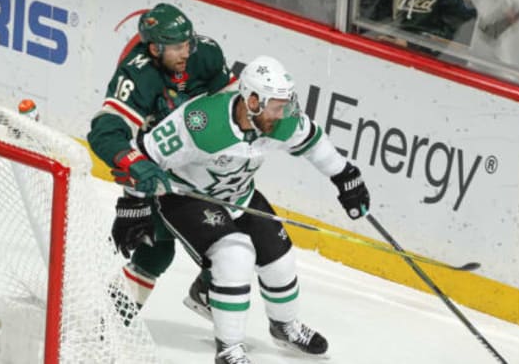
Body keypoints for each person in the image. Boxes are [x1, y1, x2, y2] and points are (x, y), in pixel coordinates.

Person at [112, 56, 371, 362]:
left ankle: (284, 325)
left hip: (240, 195)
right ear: (251, 100)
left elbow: (313, 142)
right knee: (236, 254)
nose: (283, 113)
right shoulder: (201, 122)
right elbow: (144, 156)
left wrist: (346, 176)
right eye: (276, 105)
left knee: (280, 258)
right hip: (187, 197)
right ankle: (230, 349)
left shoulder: (279, 120)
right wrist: (132, 205)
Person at [87, 2, 233, 314]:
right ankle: (111, 321)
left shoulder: (206, 55)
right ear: (154, 48)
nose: (186, 52)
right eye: (177, 47)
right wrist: (135, 166)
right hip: (158, 163)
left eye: (188, 43)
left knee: (235, 240)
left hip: (203, 162)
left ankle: (207, 291)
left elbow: (230, 111)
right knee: (155, 250)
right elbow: (105, 131)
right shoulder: (137, 72)